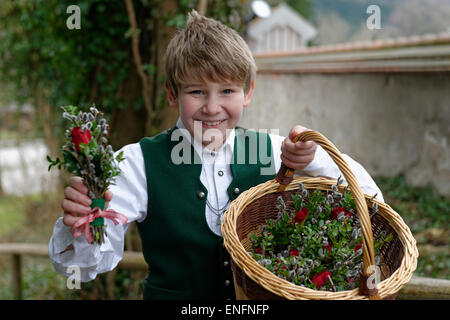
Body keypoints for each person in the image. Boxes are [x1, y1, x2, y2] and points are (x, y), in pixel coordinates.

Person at [48, 10, 383, 300]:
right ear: (171, 93)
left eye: (227, 91)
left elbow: (371, 201)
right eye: (196, 92)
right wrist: (80, 223)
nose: (212, 107)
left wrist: (314, 160)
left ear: (248, 92)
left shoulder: (272, 151)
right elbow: (80, 267)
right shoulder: (137, 162)